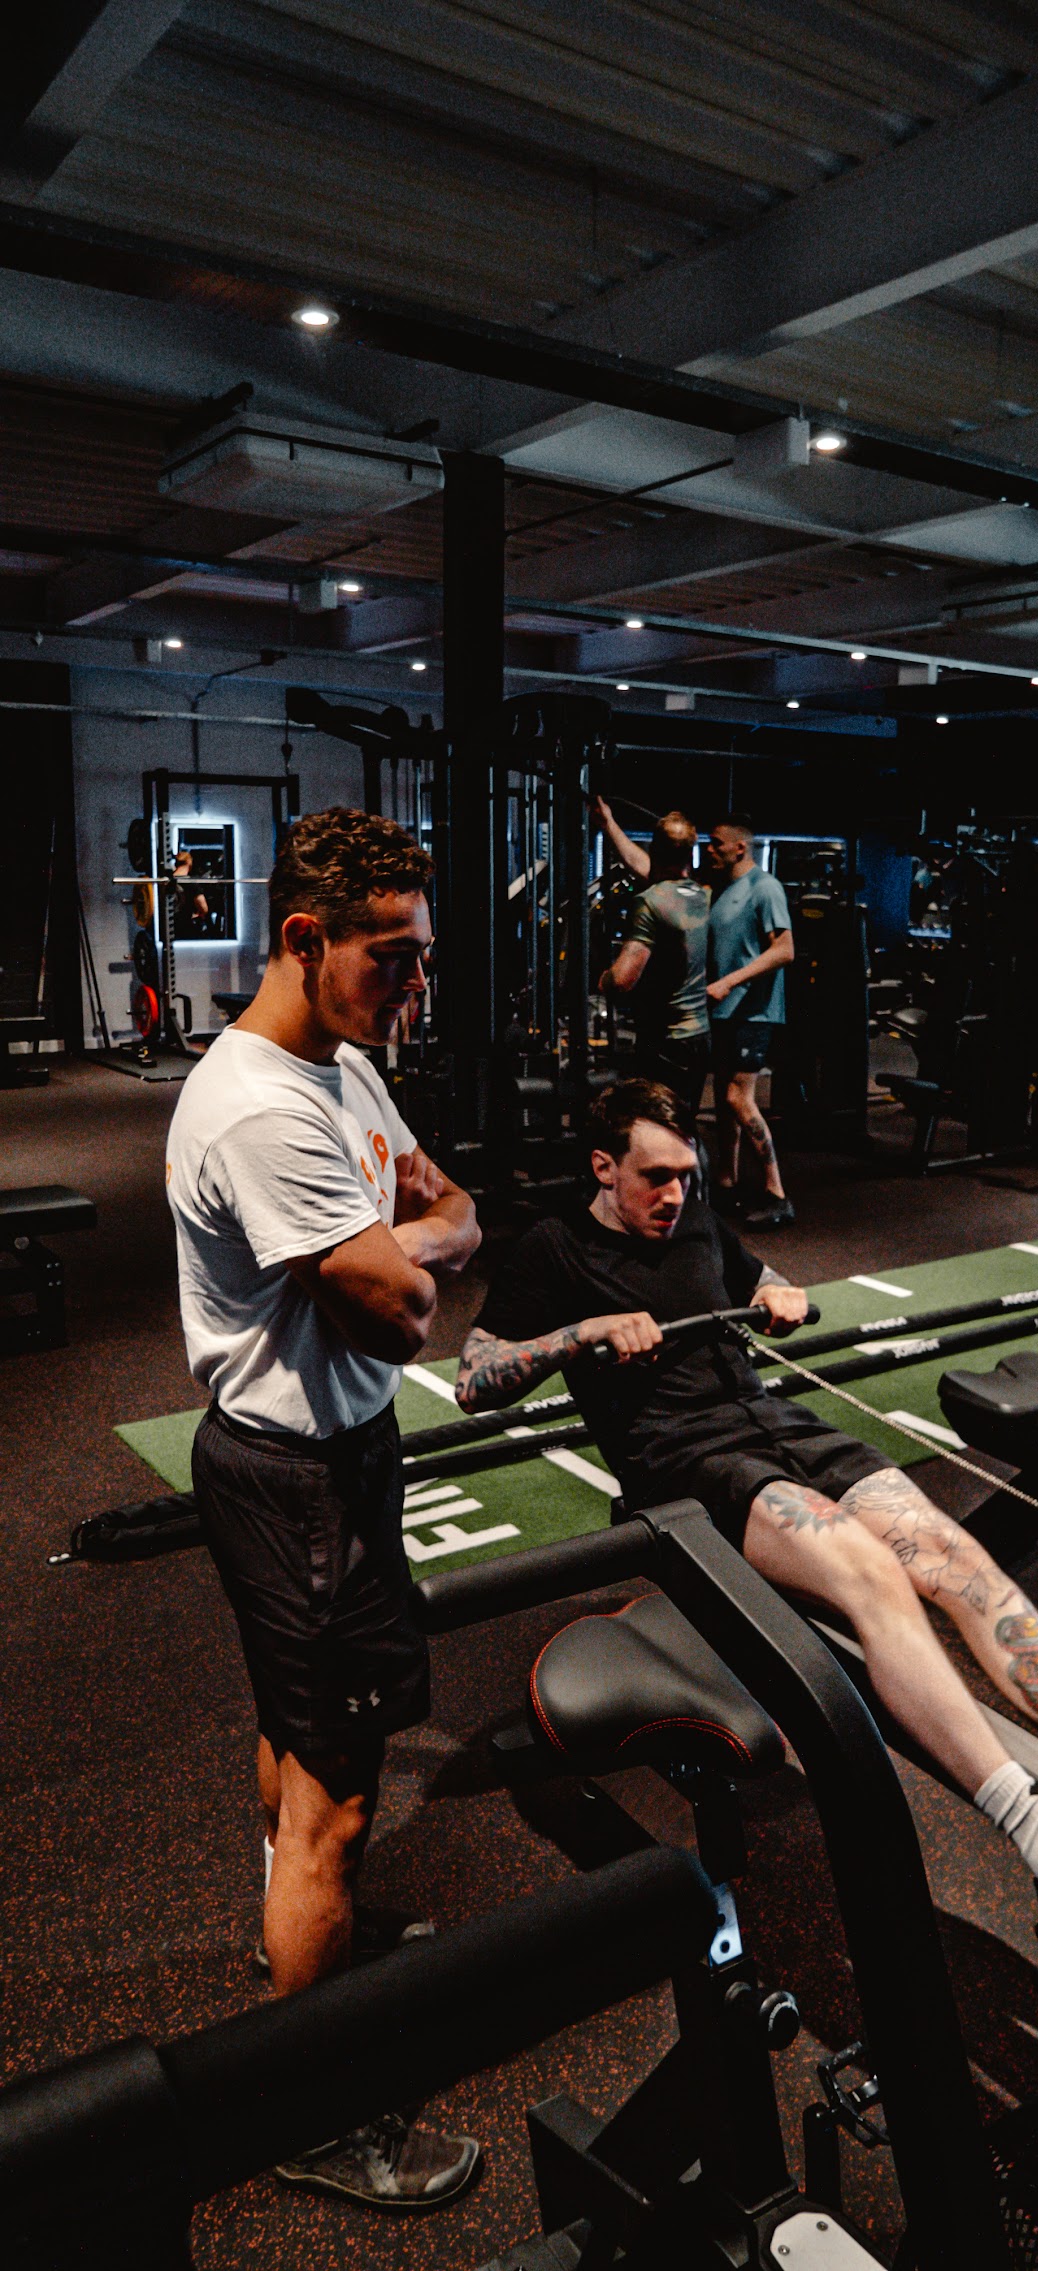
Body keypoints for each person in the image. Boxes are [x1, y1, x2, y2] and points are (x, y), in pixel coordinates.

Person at [455, 1078, 1038, 1960]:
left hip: (777, 1426)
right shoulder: (553, 1247)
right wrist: (579, 1335)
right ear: (602, 1167)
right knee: (871, 1577)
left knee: (951, 1554)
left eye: (686, 1176)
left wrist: (778, 1291)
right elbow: (473, 1378)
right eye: (654, 1177)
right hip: (686, 1463)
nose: (675, 1195)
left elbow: (749, 1272)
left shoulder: (687, 1215)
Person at [166, 806, 483, 2213]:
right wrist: (412, 1250)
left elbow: (451, 1208)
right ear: (305, 939)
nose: (413, 987)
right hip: (294, 1477)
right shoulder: (259, 1106)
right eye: (394, 958)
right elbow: (411, 1307)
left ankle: (297, 1932)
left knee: (302, 1740)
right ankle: (313, 2110)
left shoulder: (344, 1063)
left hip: (327, 1465)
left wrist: (411, 1237)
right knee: (338, 1802)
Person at [704, 816, 794, 1228]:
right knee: (725, 1104)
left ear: (739, 847)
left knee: (740, 1100)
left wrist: (729, 981)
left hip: (753, 1011)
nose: (709, 850)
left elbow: (785, 951)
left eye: (715, 843)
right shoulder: (723, 891)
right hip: (726, 1013)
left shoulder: (765, 887)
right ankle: (727, 1183)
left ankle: (776, 1193)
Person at [598, 807, 710, 1118]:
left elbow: (622, 980)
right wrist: (608, 822)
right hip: (697, 1036)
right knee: (683, 1122)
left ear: (655, 850)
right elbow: (650, 869)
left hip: (666, 1042)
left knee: (660, 1126)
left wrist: (602, 978)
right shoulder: (699, 894)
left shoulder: (649, 902)